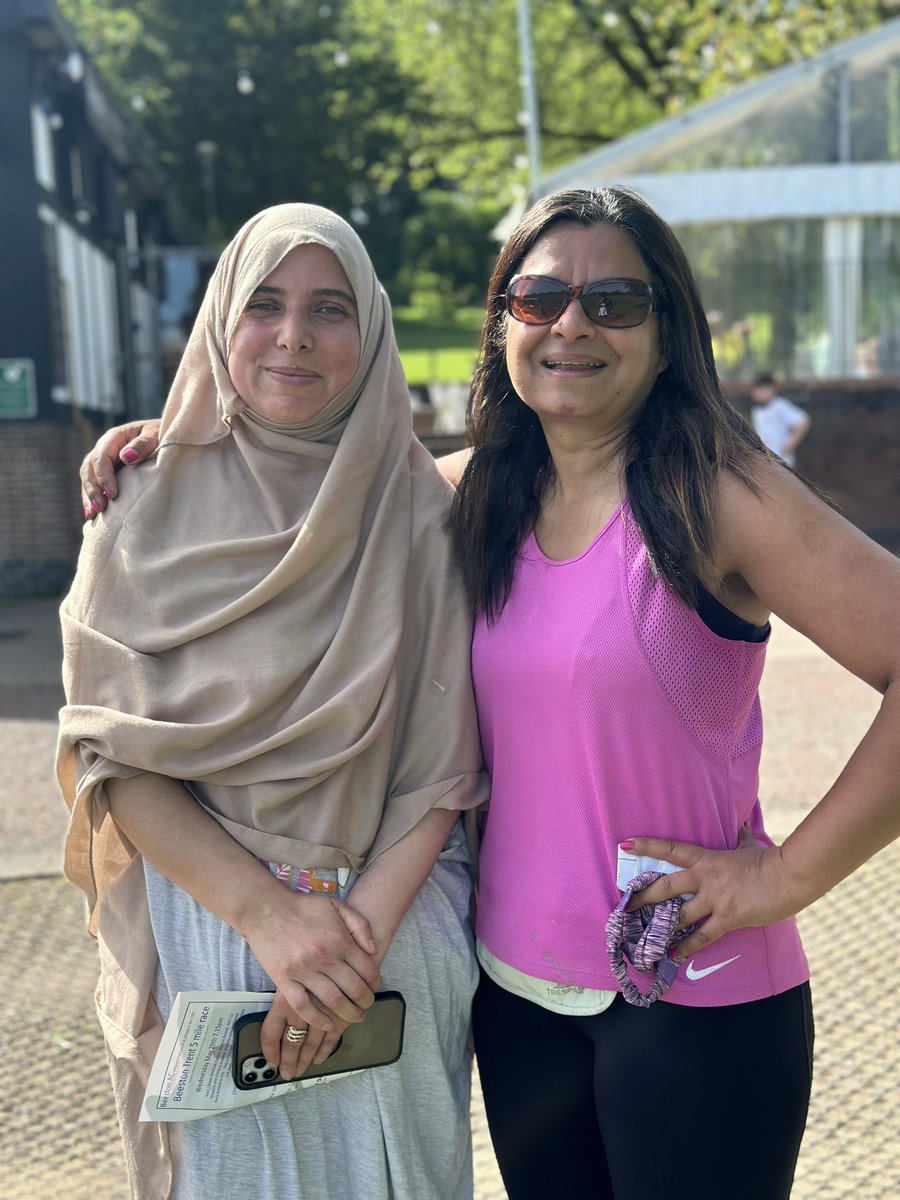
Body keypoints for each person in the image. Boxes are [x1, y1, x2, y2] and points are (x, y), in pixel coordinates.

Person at [80, 188, 900, 1200]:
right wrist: (178, 444)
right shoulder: (468, 494)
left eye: (614, 301)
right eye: (541, 295)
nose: (571, 325)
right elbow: (318, 471)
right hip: (517, 1007)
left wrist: (782, 881)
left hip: (692, 1000)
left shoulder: (720, 492)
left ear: (667, 327)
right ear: (503, 319)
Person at [59, 203, 488, 1200]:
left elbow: (444, 770)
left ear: (371, 331)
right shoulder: (137, 503)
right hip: (208, 929)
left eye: (329, 308)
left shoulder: (422, 512)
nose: (293, 335)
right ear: (220, 320)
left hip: (391, 937)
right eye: (264, 304)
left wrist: (349, 947)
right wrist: (269, 920)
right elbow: (114, 758)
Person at [749, 369, 811, 465]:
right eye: (757, 390)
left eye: (764, 389)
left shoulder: (779, 406)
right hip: (766, 462)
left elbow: (803, 421)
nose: (760, 393)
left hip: (782, 461)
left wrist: (789, 445)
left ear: (772, 389)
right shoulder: (757, 411)